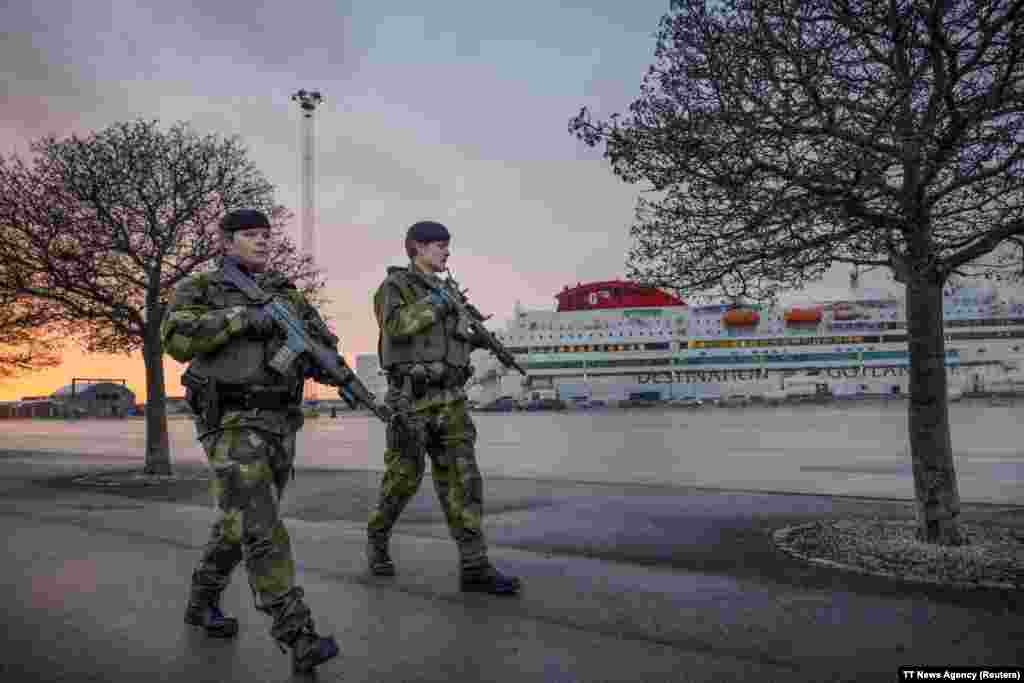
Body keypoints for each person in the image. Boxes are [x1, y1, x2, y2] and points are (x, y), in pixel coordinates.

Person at [160, 209, 339, 673]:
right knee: (261, 524)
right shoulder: (201, 288)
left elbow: (323, 344)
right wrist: (244, 318)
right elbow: (177, 338)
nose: (261, 242)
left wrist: (326, 360)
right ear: (226, 241)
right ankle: (297, 633)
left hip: (279, 423)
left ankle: (201, 600)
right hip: (231, 420)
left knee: (239, 524)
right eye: (250, 235)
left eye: (266, 235)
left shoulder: (286, 292)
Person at [367, 220, 521, 595]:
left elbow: (450, 341)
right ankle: (378, 536)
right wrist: (439, 302)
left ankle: (474, 565)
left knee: (464, 482)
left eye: (447, 245)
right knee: (402, 480)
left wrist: (476, 339)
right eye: (438, 245)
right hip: (411, 400)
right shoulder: (395, 287)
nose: (446, 252)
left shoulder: (448, 291)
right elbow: (398, 326)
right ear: (416, 248)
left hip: (451, 399)